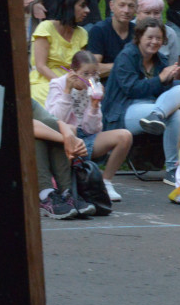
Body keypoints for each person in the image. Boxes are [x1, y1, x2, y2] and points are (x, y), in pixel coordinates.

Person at [102, 17, 180, 186]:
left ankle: (172, 170)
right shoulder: (126, 56)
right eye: (149, 37)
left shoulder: (161, 61)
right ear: (139, 37)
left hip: (153, 109)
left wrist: (167, 81)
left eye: (158, 38)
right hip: (123, 111)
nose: (154, 42)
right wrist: (160, 79)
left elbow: (165, 95)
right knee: (173, 113)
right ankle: (172, 167)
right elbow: (131, 89)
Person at [45, 50, 133, 202]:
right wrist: (67, 92)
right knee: (71, 130)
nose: (90, 78)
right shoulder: (58, 85)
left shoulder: (94, 89)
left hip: (85, 137)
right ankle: (65, 187)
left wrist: (94, 106)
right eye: (85, 74)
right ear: (73, 72)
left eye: (94, 74)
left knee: (125, 136)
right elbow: (54, 120)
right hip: (63, 139)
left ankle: (106, 182)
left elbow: (93, 129)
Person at [29, 0, 90, 104]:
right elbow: (41, 66)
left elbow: (81, 68)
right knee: (57, 100)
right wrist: (63, 84)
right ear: (69, 6)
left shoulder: (82, 33)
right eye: (82, 6)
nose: (87, 10)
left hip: (72, 82)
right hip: (45, 81)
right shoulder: (46, 27)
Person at [32, 99, 91, 219]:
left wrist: (70, 138)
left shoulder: (20, 96)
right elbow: (26, 124)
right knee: (35, 134)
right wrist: (67, 140)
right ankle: (45, 195)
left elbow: (56, 122)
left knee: (52, 125)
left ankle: (67, 192)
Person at [87, 0, 138, 78]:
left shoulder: (137, 32)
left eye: (131, 6)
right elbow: (93, 69)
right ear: (112, 6)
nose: (126, 10)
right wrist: (126, 66)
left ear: (136, 9)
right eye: (122, 5)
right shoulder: (99, 30)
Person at [136, 0, 180, 65]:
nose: (152, 17)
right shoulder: (130, 28)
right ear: (137, 13)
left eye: (156, 13)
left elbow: (173, 64)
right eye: (147, 13)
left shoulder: (169, 33)